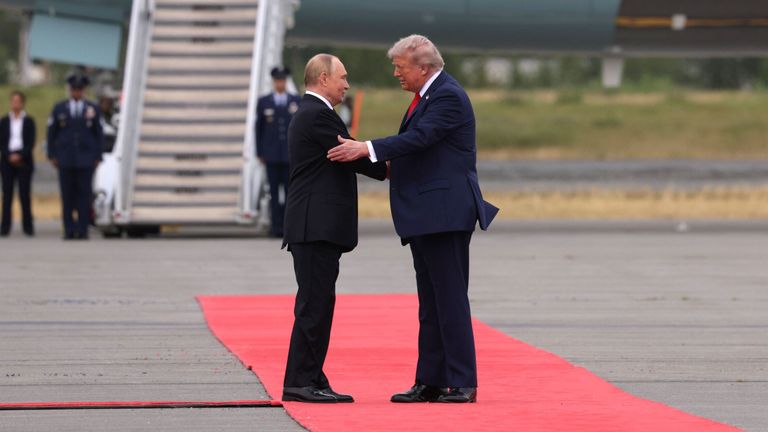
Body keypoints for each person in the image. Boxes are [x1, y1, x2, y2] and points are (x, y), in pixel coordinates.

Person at [328, 35, 499, 404]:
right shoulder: (427, 96)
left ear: (423, 68)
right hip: (427, 214)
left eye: (400, 67)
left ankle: (462, 382)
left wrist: (367, 148)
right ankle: (432, 380)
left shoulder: (448, 96)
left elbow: (422, 138)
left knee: (449, 299)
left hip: (445, 213)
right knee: (431, 302)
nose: (395, 74)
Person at [281, 54, 388, 403]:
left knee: (319, 304)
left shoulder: (314, 114)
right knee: (314, 306)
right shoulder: (317, 115)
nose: (346, 84)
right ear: (323, 78)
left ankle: (312, 376)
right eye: (342, 77)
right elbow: (354, 154)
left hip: (316, 227)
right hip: (315, 227)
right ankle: (300, 382)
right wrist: (395, 165)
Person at [47, 73, 103, 240]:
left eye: (79, 89)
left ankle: (82, 228)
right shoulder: (60, 108)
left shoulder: (92, 108)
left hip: (85, 159)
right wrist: (52, 154)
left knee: (84, 195)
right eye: (74, 89)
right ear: (70, 90)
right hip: (65, 158)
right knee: (67, 195)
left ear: (83, 90)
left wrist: (98, 155)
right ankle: (69, 229)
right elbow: (52, 133)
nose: (77, 92)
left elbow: (98, 134)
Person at [256, 66, 302, 238]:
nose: (280, 83)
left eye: (282, 80)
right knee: (273, 193)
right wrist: (260, 152)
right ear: (274, 82)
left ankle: (288, 226)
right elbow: (258, 129)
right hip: (272, 155)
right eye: (277, 80)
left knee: (291, 192)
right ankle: (275, 226)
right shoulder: (264, 102)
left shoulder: (296, 100)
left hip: (290, 155)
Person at [0, 91, 36, 237]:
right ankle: (5, 227)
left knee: (24, 194)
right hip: (7, 161)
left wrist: (20, 155)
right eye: (13, 101)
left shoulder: (28, 121)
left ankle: (28, 227)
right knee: (7, 195)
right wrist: (9, 155)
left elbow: (30, 141)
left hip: (24, 161)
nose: (15, 103)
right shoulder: (4, 121)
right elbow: (2, 141)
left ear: (22, 103)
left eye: (18, 101)